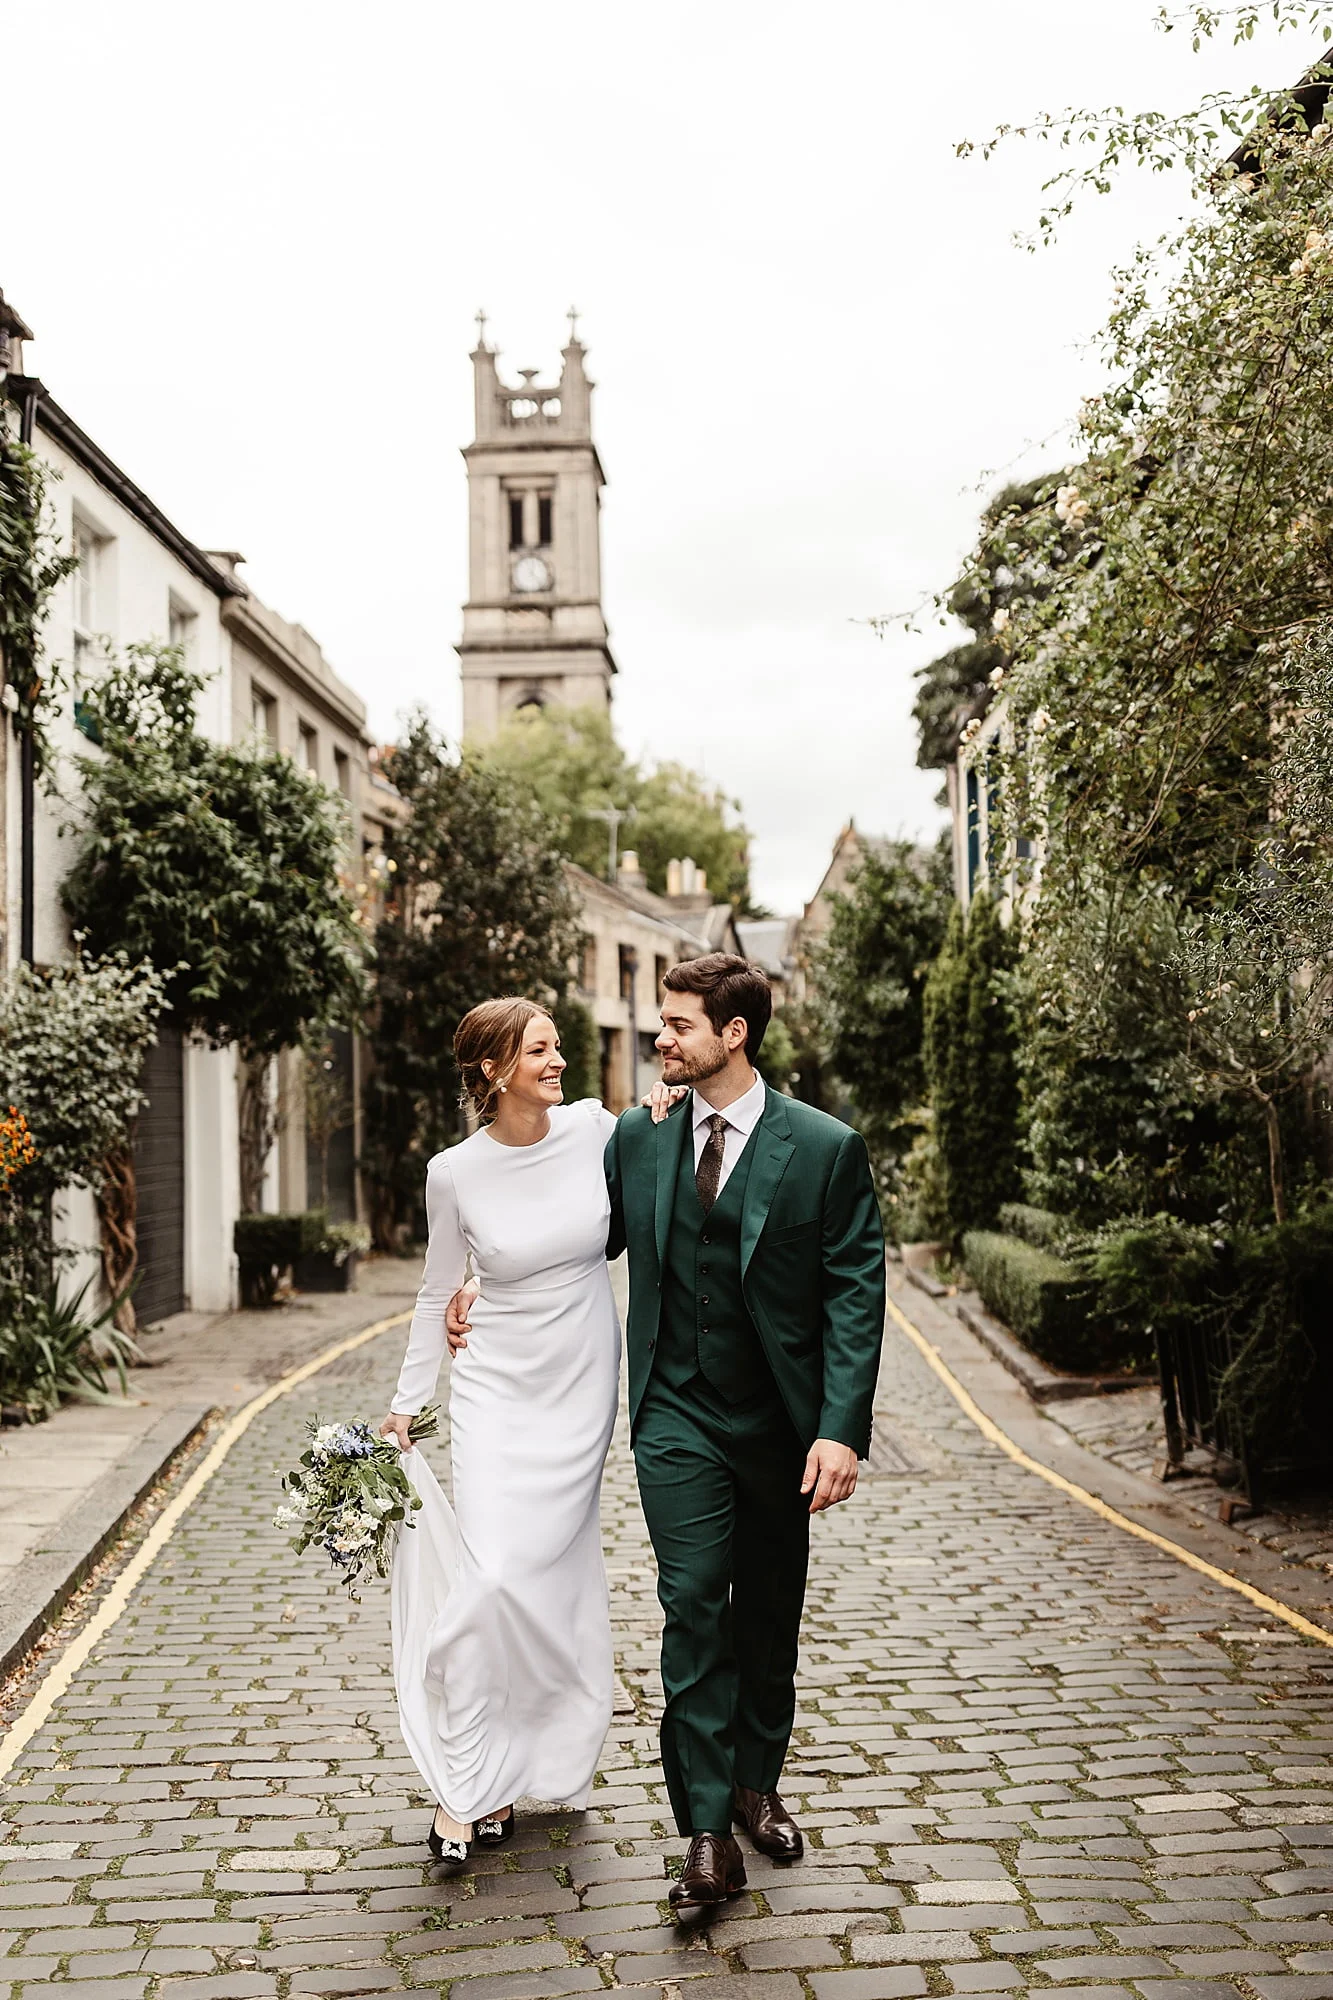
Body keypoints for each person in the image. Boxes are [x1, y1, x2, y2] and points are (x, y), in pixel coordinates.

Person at [605, 954, 885, 1918]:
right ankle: (706, 1833)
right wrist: (480, 1279)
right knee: (691, 1604)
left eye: (678, 1023)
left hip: (777, 1422)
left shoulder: (823, 1148)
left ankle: (759, 1782)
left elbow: (855, 1292)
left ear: (734, 1034)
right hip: (674, 1414)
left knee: (766, 1612)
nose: (660, 1037)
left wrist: (840, 1430)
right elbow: (569, 1240)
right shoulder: (638, 1142)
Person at [379, 998, 624, 1866]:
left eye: (558, 1047)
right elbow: (431, 1286)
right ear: (491, 1070)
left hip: (580, 1380)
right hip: (495, 1387)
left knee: (545, 1580)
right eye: (539, 1051)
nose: (559, 1062)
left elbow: (658, 1173)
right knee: (489, 1580)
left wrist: (669, 1108)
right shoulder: (455, 1172)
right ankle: (466, 1786)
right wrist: (406, 1404)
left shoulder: (597, 1129)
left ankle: (529, 1764)